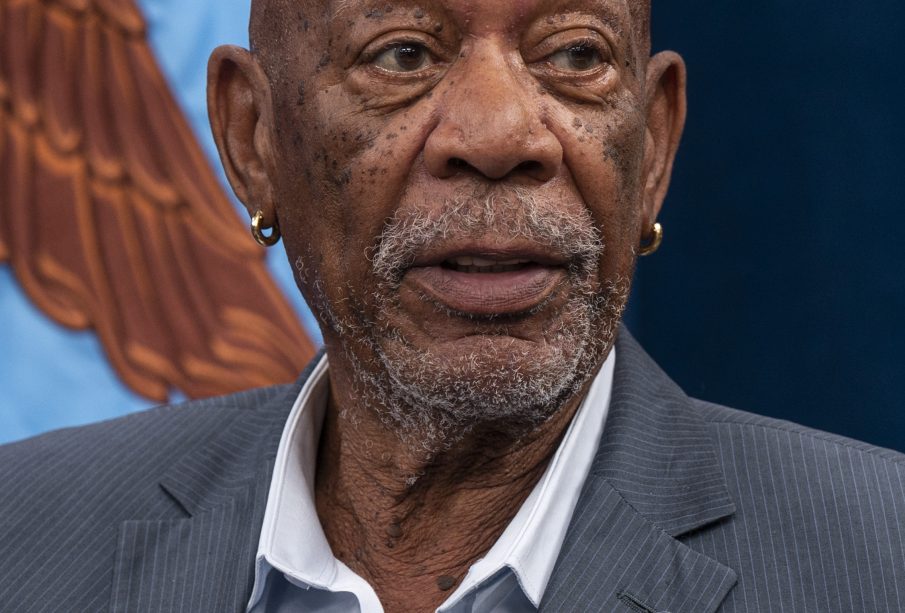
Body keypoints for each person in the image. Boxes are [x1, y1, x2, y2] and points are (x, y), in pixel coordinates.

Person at [2, 0, 903, 611]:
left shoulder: (879, 560)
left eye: (575, 54)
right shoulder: (23, 535)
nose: (500, 134)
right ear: (252, 139)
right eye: (403, 53)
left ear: (654, 148)